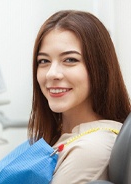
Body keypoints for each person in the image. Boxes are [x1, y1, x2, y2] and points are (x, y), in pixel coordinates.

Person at [28, 10, 131, 183]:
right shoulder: (63, 137)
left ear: (99, 67)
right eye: (44, 61)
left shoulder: (91, 147)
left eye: (70, 60)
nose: (52, 74)